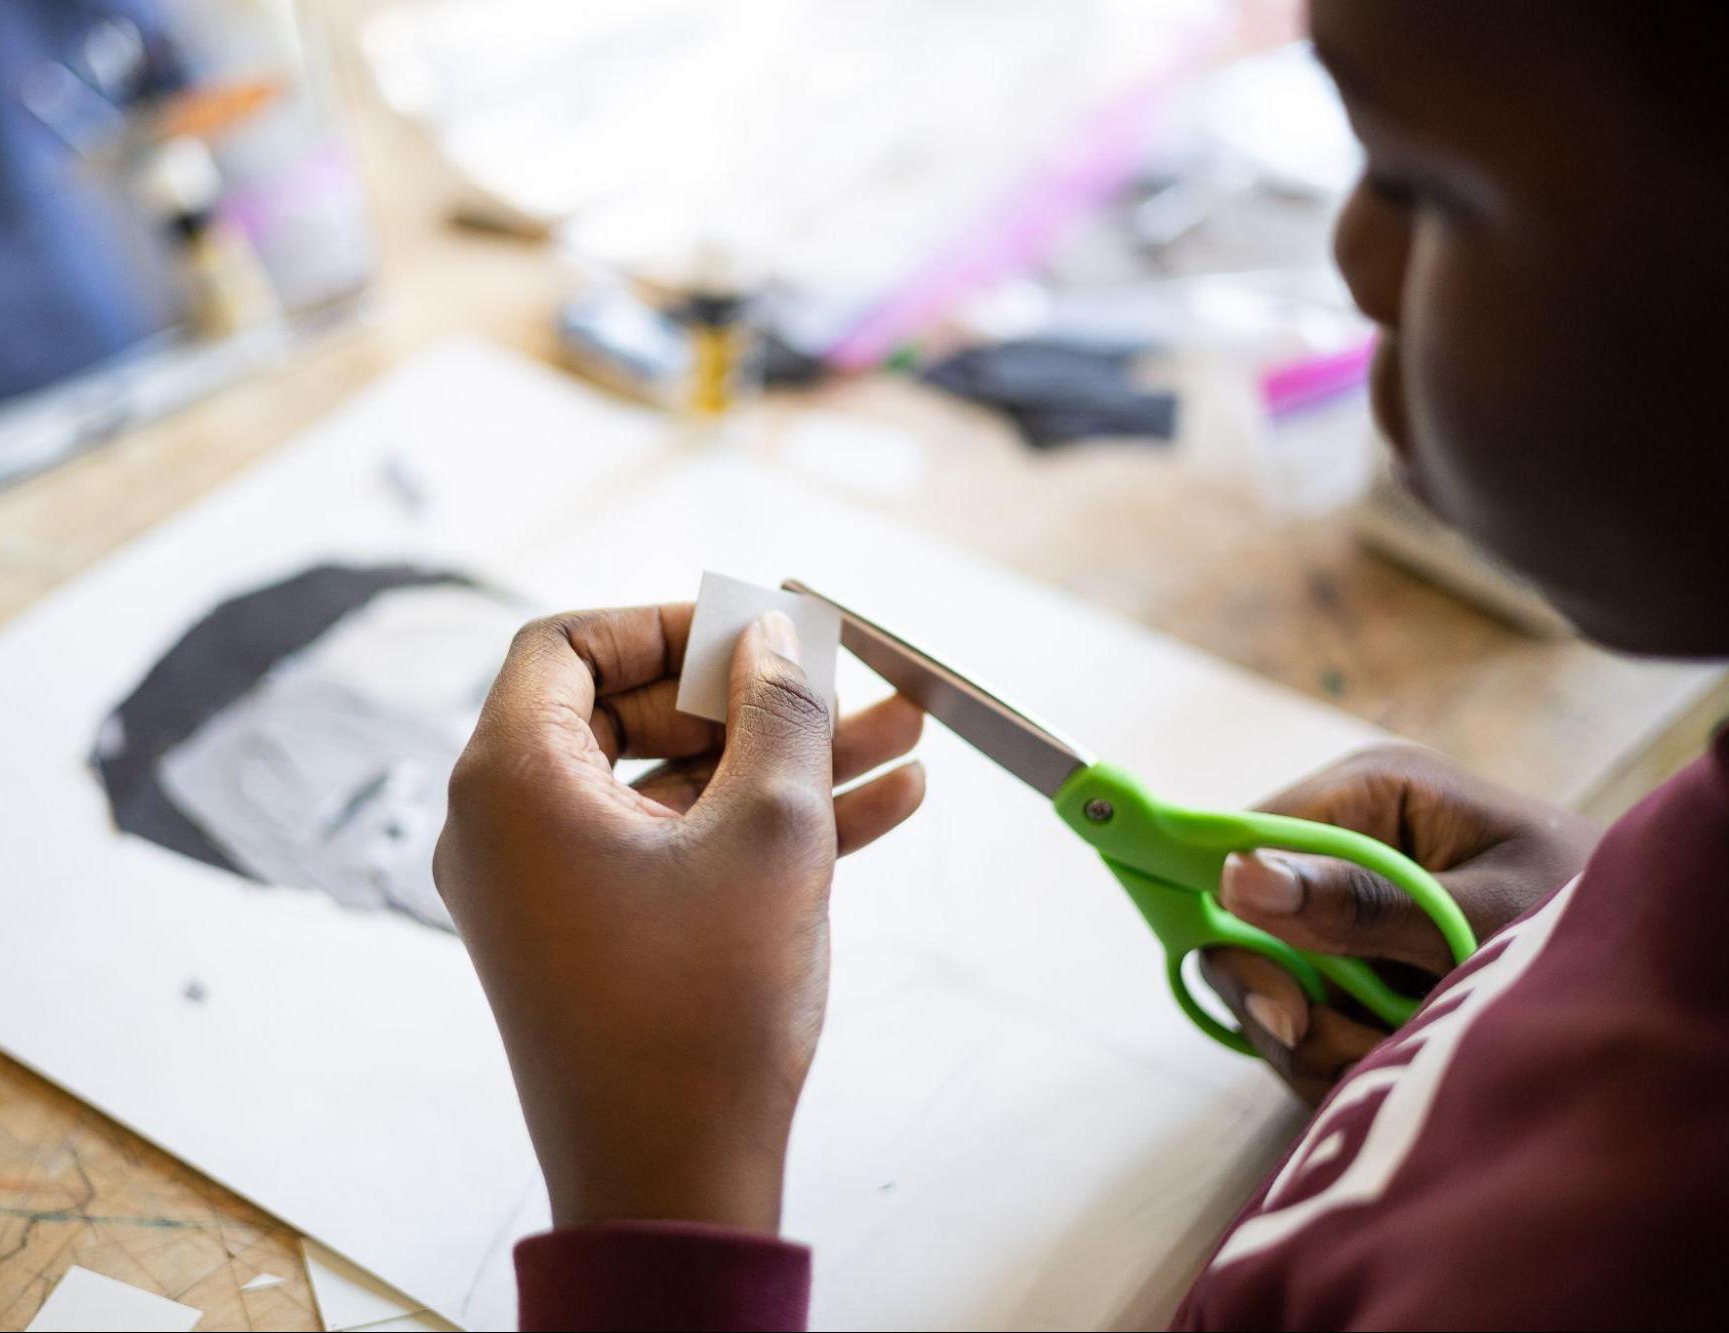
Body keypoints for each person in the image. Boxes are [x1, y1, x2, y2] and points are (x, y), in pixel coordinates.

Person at [432, 2, 1729, 1327]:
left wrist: (656, 1196)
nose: (1347, 257)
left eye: (1411, 178)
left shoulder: (1602, 1260)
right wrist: (1572, 934)